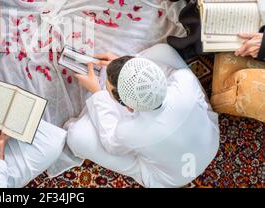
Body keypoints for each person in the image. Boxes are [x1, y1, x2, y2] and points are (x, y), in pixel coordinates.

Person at [66, 43, 220, 188]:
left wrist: (98, 93)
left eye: (108, 89)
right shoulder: (184, 80)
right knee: (163, 51)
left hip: (175, 177)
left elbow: (112, 145)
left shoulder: (129, 132)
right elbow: (167, 73)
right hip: (211, 143)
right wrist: (125, 67)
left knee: (77, 136)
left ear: (128, 107)